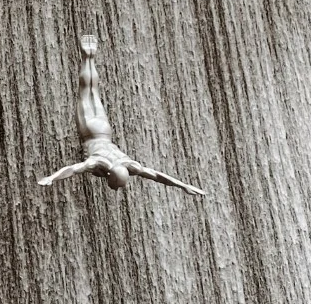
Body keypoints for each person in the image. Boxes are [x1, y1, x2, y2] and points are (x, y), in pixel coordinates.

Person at [39, 34, 205, 197]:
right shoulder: (97, 162)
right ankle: (87, 57)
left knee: (92, 90)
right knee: (86, 92)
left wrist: (183, 185)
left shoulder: (130, 165)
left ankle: (90, 57)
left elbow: (156, 175)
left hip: (105, 130)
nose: (117, 189)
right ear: (110, 176)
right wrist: (52, 177)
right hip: (89, 130)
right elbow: (73, 169)